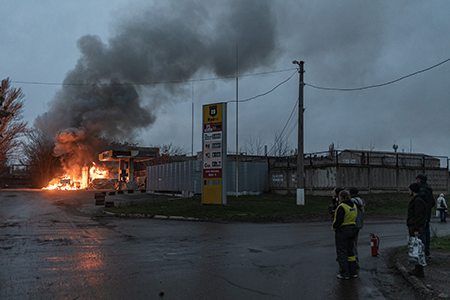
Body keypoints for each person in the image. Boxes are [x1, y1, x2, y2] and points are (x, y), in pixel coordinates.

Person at [332, 190, 358, 279]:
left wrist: (334, 227)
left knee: (342, 252)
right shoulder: (353, 205)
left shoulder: (342, 207)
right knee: (350, 252)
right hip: (352, 228)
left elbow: (339, 220)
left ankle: (344, 273)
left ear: (341, 197)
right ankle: (353, 272)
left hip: (343, 230)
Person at [407, 182, 428, 278]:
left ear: (413, 190)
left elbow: (418, 215)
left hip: (415, 228)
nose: (409, 191)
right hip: (415, 226)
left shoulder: (418, 201)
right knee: (416, 248)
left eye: (409, 189)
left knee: (417, 248)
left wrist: (416, 229)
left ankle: (419, 271)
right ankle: (417, 269)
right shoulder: (418, 199)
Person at [416, 173, 435, 259]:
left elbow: (420, 204)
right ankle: (427, 252)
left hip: (422, 215)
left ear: (420, 180)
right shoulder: (429, 189)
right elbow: (433, 203)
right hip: (428, 214)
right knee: (427, 233)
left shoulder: (422, 190)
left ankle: (423, 253)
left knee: (422, 233)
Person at [349, 187, 365, 268]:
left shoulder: (351, 202)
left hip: (352, 223)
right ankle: (355, 259)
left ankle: (354, 261)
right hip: (359, 224)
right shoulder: (361, 201)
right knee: (354, 242)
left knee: (352, 243)